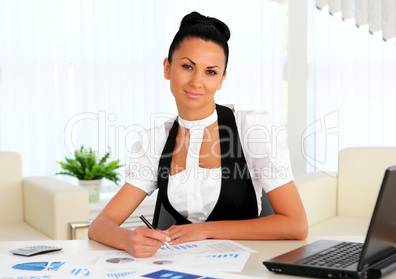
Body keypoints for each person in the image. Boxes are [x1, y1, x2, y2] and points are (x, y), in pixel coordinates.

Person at [88, 11, 308, 258]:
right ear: (167, 68)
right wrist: (128, 238)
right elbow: (100, 225)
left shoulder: (251, 131)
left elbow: (296, 224)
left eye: (210, 72)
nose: (196, 82)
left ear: (222, 79)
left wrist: (206, 230)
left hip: (247, 267)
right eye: (187, 66)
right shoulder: (155, 142)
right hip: (179, 269)